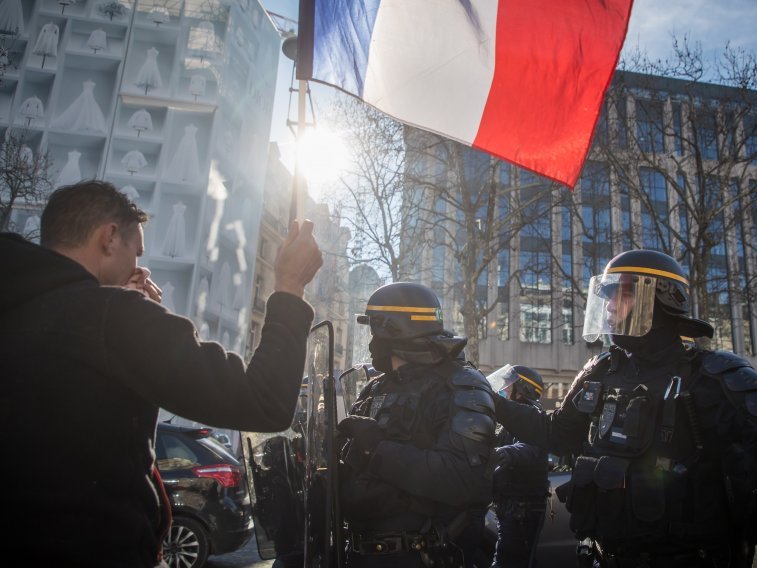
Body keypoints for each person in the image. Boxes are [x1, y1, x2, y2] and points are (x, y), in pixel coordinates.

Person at [0, 180, 323, 566]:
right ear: (109, 237)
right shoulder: (113, 316)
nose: (140, 268)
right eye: (136, 253)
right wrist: (289, 287)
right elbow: (264, 400)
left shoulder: (19, 305)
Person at [492, 249, 757, 568]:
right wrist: (495, 404)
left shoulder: (716, 375)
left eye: (622, 294)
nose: (609, 306)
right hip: (601, 557)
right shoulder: (600, 371)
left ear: (660, 300)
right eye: (607, 297)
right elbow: (556, 433)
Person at [336, 282, 496, 567]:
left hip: (423, 556)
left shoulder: (461, 383)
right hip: (358, 555)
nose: (371, 341)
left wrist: (378, 448)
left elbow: (462, 480)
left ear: (396, 329)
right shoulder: (374, 389)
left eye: (374, 329)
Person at [487, 364, 550, 568]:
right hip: (509, 505)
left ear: (522, 390)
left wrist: (506, 453)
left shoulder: (532, 416)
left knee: (510, 561)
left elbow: (531, 447)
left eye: (508, 386)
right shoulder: (510, 418)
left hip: (523, 507)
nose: (503, 390)